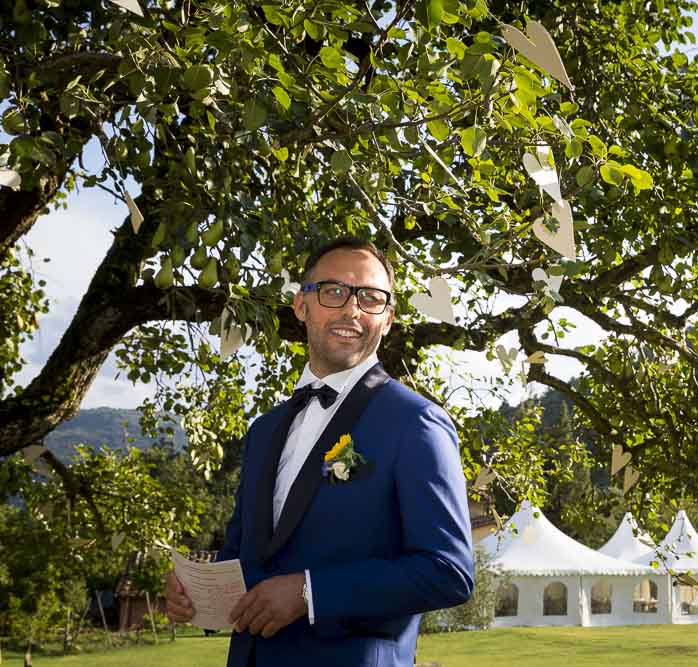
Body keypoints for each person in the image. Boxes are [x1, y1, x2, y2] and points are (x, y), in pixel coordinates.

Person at [165, 237, 474, 666]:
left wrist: (309, 592)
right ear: (300, 306)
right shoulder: (263, 431)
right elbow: (244, 557)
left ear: (387, 319)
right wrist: (197, 593)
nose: (352, 310)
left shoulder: (415, 422)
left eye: (371, 298)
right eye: (333, 291)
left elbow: (448, 572)